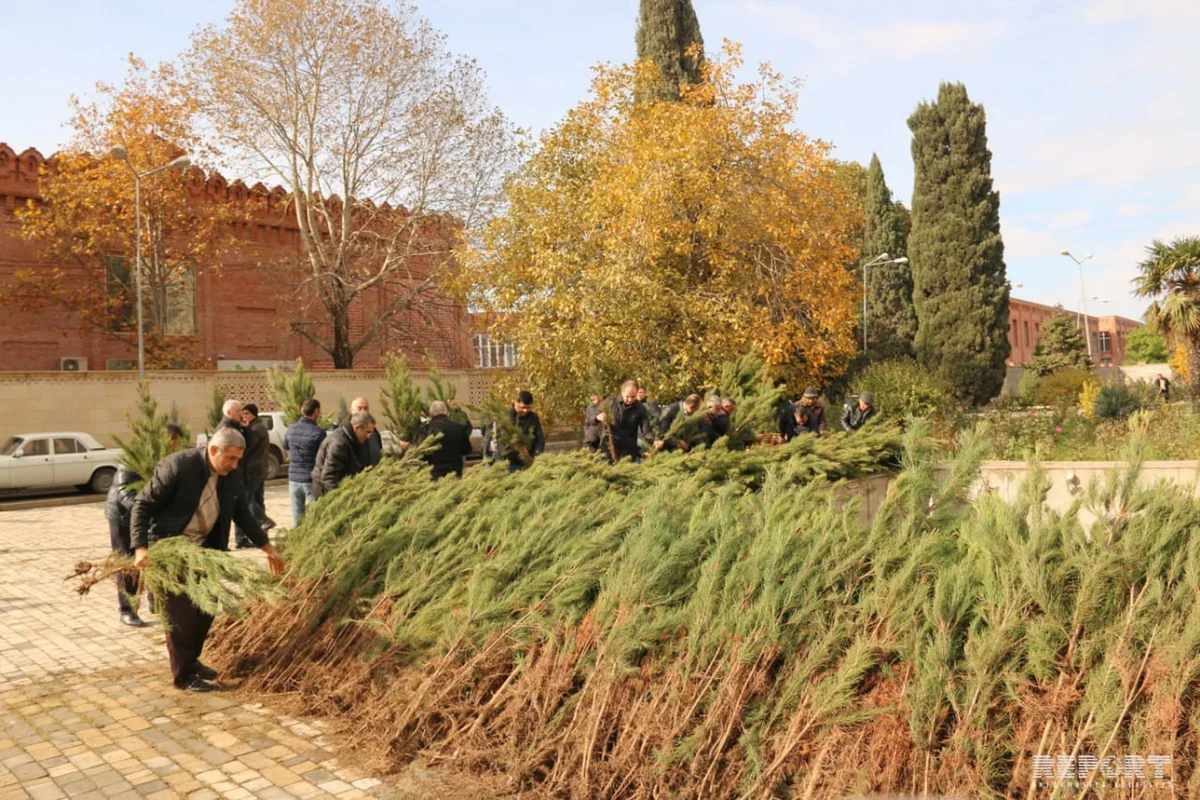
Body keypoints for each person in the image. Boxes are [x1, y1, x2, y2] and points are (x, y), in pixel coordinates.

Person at [130, 428, 285, 692]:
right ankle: (183, 676)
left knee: (207, 606)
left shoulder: (230, 476)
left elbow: (241, 513)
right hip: (171, 550)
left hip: (205, 551)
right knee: (181, 617)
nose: (235, 465)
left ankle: (191, 660)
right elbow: (142, 504)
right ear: (214, 450)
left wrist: (267, 547)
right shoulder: (179, 466)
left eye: (238, 459)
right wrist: (140, 549)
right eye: (231, 459)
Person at [105, 465, 145, 627]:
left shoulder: (164, 458)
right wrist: (147, 509)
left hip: (144, 518)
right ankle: (127, 610)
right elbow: (125, 494)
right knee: (126, 563)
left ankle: (155, 602)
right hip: (122, 518)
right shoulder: (129, 462)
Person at [235, 404, 274, 548]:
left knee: (247, 501)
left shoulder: (255, 429)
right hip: (257, 470)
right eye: (242, 413)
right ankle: (260, 534)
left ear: (253, 415)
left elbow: (247, 447)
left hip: (252, 471)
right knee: (256, 500)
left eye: (246, 413)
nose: (244, 416)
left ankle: (263, 523)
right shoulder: (256, 427)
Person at [312, 411, 375, 499]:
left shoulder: (353, 439)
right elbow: (329, 477)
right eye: (368, 432)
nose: (369, 436)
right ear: (357, 428)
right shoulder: (339, 444)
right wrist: (341, 500)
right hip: (326, 493)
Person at [284, 398, 325, 526]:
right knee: (317, 515)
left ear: (302, 411)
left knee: (297, 515)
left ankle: (297, 541)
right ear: (316, 412)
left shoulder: (290, 429)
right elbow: (324, 456)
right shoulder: (318, 433)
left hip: (294, 478)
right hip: (311, 479)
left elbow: (286, 447)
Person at [597, 381, 656, 462]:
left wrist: (653, 442)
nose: (630, 400)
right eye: (627, 396)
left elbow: (646, 430)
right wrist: (598, 416)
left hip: (629, 449)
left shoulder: (640, 408)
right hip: (609, 447)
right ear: (622, 392)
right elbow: (594, 415)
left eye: (633, 397)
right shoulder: (610, 402)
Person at [490, 390, 546, 472]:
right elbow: (496, 441)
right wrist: (501, 461)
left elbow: (539, 437)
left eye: (528, 408)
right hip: (508, 462)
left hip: (528, 461)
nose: (525, 411)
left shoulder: (533, 417)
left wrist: (537, 453)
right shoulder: (504, 417)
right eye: (523, 407)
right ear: (515, 403)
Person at [419, 401, 473, 479]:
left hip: (433, 472)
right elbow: (467, 450)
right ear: (446, 412)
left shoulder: (425, 429)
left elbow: (420, 453)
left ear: (431, 414)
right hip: (455, 472)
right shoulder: (458, 428)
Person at [350, 397, 383, 467]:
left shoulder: (375, 433)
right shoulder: (346, 434)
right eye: (359, 408)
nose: (362, 411)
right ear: (352, 411)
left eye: (365, 408)